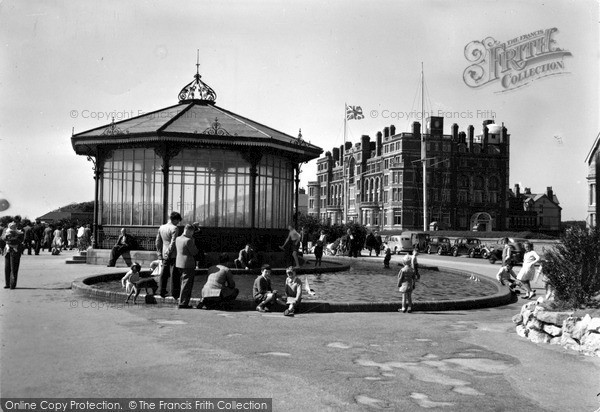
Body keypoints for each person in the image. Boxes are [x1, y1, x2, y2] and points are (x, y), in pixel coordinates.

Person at [156, 211, 182, 299]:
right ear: (176, 219)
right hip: (172, 254)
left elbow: (158, 242)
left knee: (164, 273)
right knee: (174, 273)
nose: (178, 223)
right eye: (178, 221)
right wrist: (169, 252)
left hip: (164, 253)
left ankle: (161, 291)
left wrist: (160, 253)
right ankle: (175, 293)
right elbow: (173, 242)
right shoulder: (175, 228)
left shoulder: (162, 227)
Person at [175, 223, 198, 309]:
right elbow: (194, 252)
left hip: (179, 263)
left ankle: (181, 301)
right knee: (187, 285)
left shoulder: (178, 239)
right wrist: (193, 241)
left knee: (183, 283)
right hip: (188, 264)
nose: (192, 234)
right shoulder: (188, 241)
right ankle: (183, 303)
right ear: (189, 231)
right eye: (192, 232)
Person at [2, 222, 24, 289]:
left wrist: (9, 239)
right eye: (12, 226)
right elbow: (2, 237)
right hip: (7, 251)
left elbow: (19, 240)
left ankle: (12, 284)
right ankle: (7, 284)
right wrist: (7, 237)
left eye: (14, 226)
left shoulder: (19, 232)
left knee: (14, 268)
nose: (13, 227)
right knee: (7, 268)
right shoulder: (5, 230)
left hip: (15, 251)